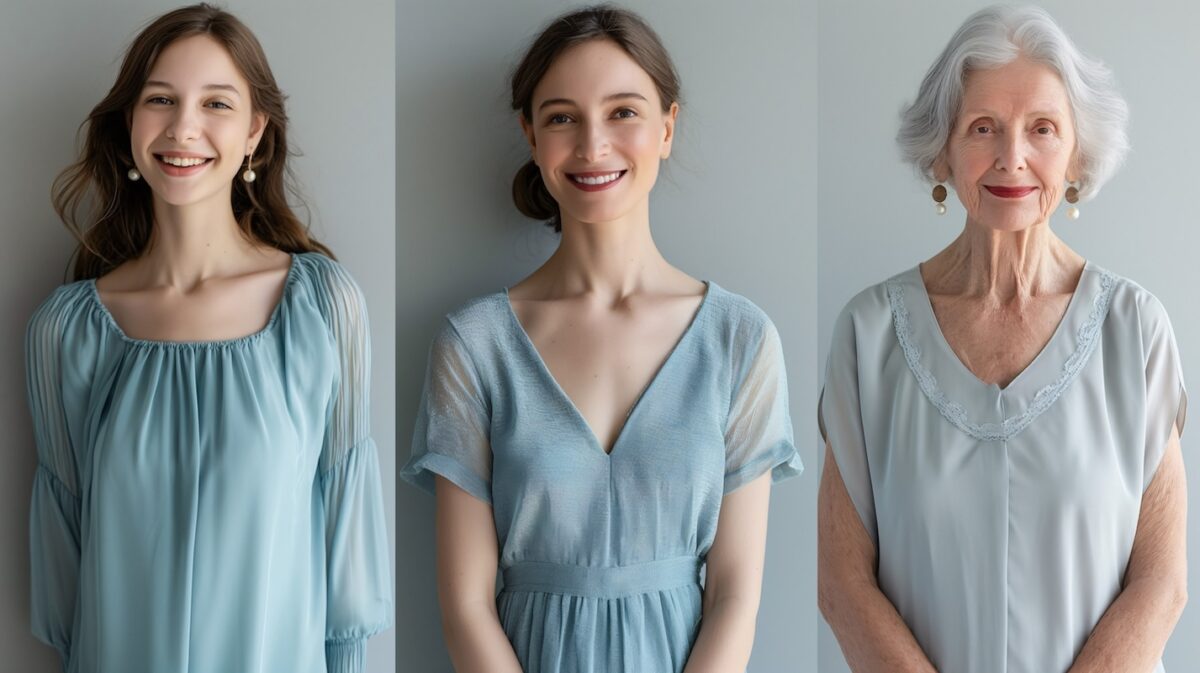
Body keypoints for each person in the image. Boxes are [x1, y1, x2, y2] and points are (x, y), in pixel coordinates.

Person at [401, 6, 801, 672]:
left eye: (623, 112)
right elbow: (465, 607)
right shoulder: (474, 345)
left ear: (667, 127)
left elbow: (735, 595)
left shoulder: (740, 339)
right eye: (562, 117)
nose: (592, 146)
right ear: (530, 134)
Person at [818, 6, 1187, 673]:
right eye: (983, 127)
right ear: (942, 150)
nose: (1012, 157)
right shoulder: (866, 335)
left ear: (1076, 151)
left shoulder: (1135, 328)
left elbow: (1162, 583)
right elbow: (844, 586)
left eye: (1041, 129)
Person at [26, 5, 391, 672]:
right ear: (130, 124)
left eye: (215, 102)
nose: (183, 127)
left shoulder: (321, 307)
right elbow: (67, 582)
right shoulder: (67, 331)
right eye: (160, 99)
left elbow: (347, 558)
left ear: (255, 130)